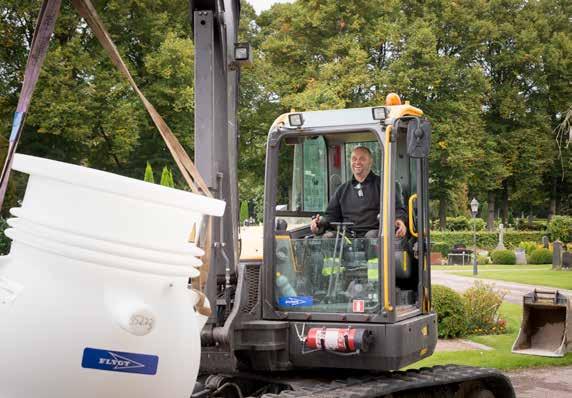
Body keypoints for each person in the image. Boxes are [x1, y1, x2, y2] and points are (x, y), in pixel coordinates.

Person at [310, 146, 407, 238]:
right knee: (329, 237)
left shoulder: (386, 185)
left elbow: (398, 209)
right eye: (354, 159)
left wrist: (399, 220)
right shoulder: (342, 190)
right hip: (347, 236)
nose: (357, 162)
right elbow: (331, 216)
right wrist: (319, 223)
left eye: (362, 159)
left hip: (375, 234)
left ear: (370, 162)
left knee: (371, 236)